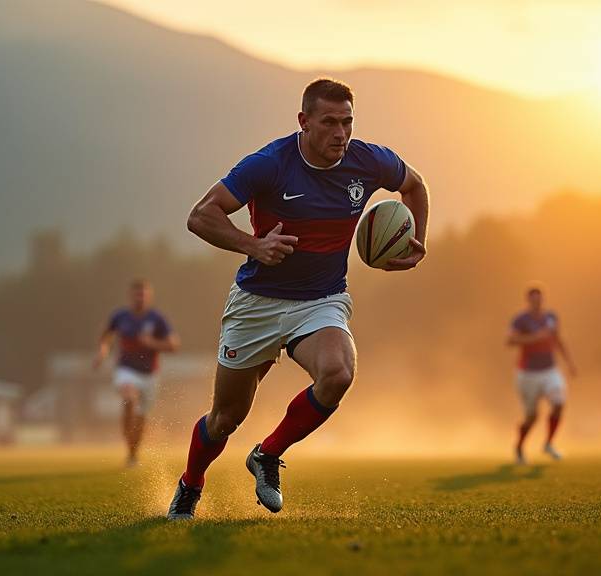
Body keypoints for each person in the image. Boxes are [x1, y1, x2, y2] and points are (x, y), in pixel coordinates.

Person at [168, 78, 429, 520]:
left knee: (338, 373)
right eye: (328, 122)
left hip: (321, 299)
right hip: (257, 302)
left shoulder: (368, 161)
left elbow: (415, 186)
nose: (340, 133)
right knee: (225, 418)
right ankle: (191, 485)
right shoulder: (269, 164)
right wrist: (253, 246)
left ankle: (267, 455)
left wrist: (416, 243)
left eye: (347, 122)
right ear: (303, 122)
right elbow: (201, 215)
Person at [93, 279, 179, 466]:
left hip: (150, 374)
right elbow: (106, 335)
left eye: (143, 294)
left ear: (149, 296)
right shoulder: (120, 316)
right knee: (129, 398)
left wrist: (152, 343)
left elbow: (173, 344)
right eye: (137, 294)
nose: (140, 298)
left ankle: (132, 453)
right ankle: (126, 435)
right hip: (126, 370)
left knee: (141, 418)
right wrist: (102, 351)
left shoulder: (157, 318)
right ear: (130, 295)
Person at [507, 285, 576, 464]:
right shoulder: (521, 320)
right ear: (528, 300)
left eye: (539, 298)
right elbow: (510, 340)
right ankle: (520, 447)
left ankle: (548, 443)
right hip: (527, 373)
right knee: (531, 416)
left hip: (549, 369)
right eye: (533, 299)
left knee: (559, 403)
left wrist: (569, 362)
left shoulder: (551, 317)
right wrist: (535, 337)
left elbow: (557, 339)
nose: (537, 302)